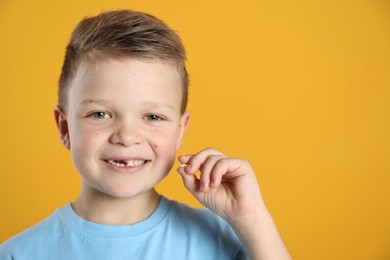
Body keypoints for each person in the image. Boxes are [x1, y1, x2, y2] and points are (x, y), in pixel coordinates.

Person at [0, 10, 291, 260]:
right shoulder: (19, 253)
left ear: (180, 132)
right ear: (64, 128)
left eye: (153, 117)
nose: (127, 136)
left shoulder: (226, 239)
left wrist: (251, 217)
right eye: (100, 114)